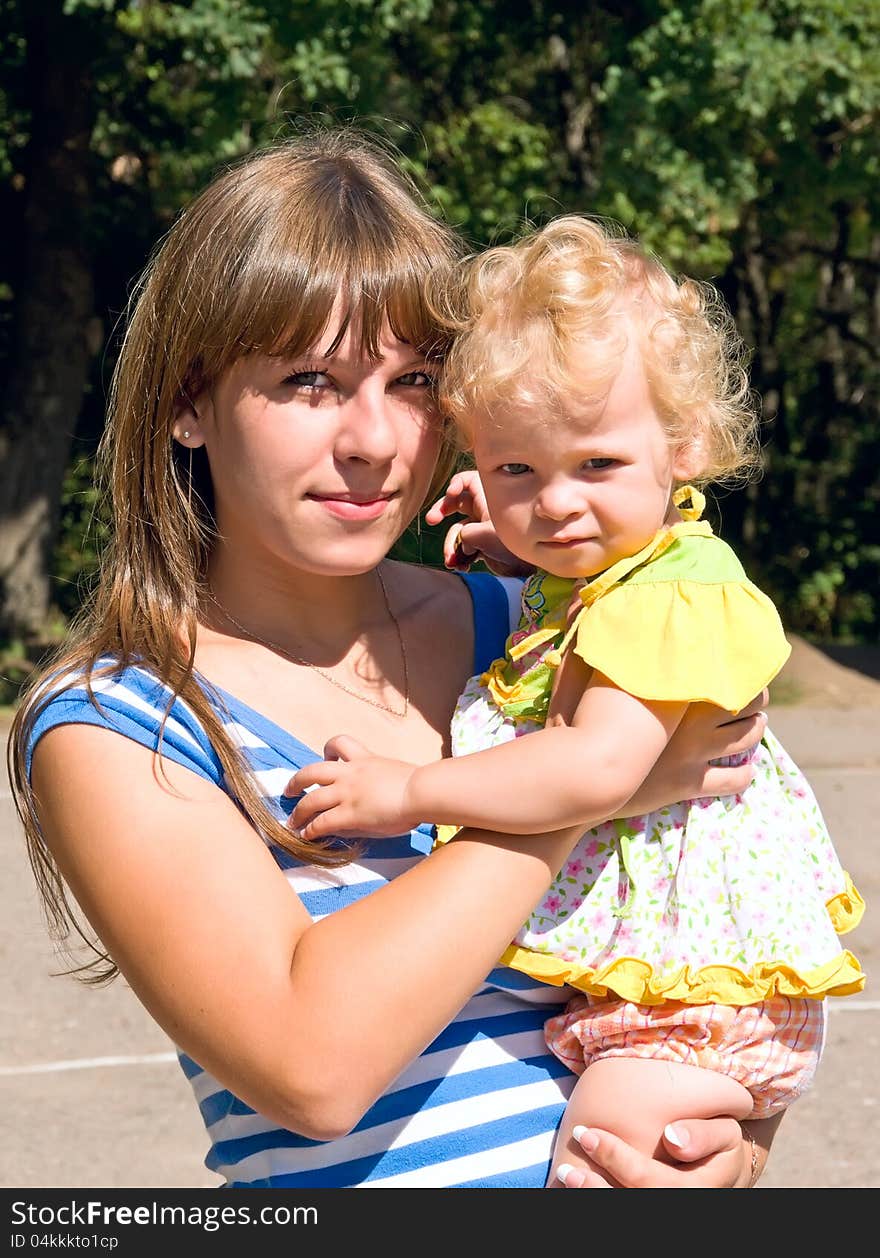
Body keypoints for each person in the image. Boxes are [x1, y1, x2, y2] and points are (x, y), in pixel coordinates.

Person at [8, 130, 780, 1189]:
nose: (375, 439)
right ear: (187, 402)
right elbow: (311, 1068)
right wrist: (584, 781)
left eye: (414, 380)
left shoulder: (537, 626)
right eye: (310, 381)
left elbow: (725, 925)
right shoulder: (119, 721)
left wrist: (729, 1155)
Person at [288, 213, 866, 1187]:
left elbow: (595, 766)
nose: (554, 503)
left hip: (687, 1007)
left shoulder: (666, 596)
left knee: (591, 1174)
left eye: (594, 466)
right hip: (661, 996)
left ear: (683, 447)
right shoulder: (620, 567)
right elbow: (573, 525)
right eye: (517, 467)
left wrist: (410, 792)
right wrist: (524, 548)